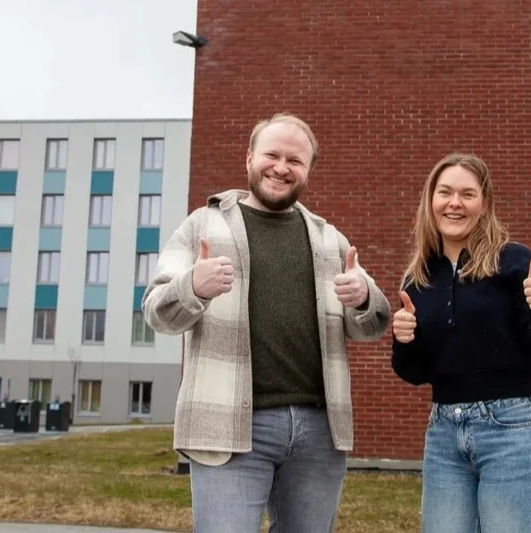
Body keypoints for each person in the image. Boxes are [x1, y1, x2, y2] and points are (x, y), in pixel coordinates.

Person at [142, 113, 391, 533]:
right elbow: (156, 313)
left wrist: (365, 299)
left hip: (318, 430)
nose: (281, 167)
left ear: (308, 170)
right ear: (249, 158)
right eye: (272, 155)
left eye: (295, 160)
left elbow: (371, 327)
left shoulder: (330, 240)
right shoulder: (203, 225)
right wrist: (193, 287)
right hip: (227, 425)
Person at [391, 153, 531, 533]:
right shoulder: (418, 278)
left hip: (513, 431)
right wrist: (404, 340)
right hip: (443, 434)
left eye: (467, 194)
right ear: (431, 201)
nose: (455, 203)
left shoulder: (515, 262)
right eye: (445, 193)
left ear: (484, 204)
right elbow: (415, 371)